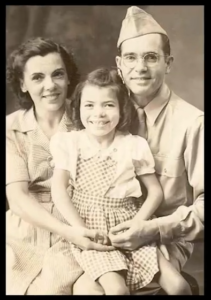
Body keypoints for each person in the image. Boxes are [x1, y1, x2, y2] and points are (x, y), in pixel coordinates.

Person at [73, 6, 204, 295]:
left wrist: (154, 229)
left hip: (164, 237)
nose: (140, 68)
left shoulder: (192, 123)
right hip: (102, 229)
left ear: (168, 63)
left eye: (151, 57)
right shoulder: (102, 112)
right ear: (119, 64)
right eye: (131, 58)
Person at [50, 67, 192, 295]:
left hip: (129, 222)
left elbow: (155, 192)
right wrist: (79, 229)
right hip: (90, 226)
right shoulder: (69, 143)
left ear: (121, 108)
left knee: (178, 286)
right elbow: (58, 190)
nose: (99, 113)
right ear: (77, 108)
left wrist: (138, 224)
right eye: (90, 105)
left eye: (108, 105)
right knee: (117, 290)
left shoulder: (133, 145)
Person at [6, 37, 114, 295]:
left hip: (82, 223)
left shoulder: (89, 121)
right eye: (37, 78)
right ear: (22, 84)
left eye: (57, 74)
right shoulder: (11, 129)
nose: (50, 85)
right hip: (24, 234)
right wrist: (67, 231)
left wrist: (76, 232)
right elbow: (18, 198)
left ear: (68, 78)